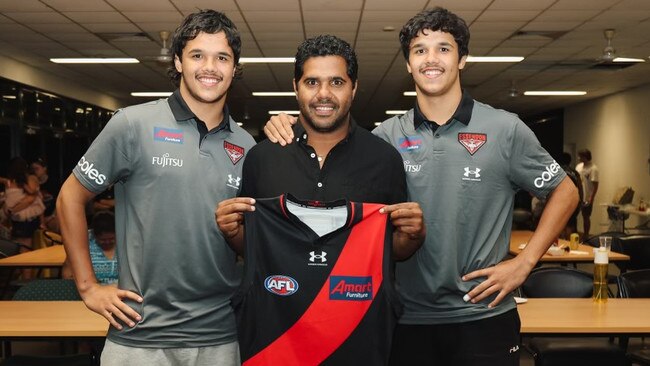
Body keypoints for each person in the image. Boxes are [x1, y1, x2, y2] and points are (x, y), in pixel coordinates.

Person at [263, 7, 578, 365]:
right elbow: (328, 144)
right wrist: (290, 124)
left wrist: (524, 263)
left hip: (483, 315)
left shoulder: (505, 129)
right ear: (408, 65)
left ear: (462, 59)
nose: (431, 59)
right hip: (404, 317)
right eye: (419, 50)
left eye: (443, 48)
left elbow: (565, 191)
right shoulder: (384, 139)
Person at [56, 9, 255, 366]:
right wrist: (88, 287)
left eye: (222, 57)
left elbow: (250, 239)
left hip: (220, 336)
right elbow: (70, 196)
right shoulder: (133, 124)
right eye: (197, 55)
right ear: (178, 61)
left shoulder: (246, 146)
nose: (210, 67)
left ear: (234, 67)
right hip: (138, 335)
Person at [216, 35, 425, 365]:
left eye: (336, 82)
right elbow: (257, 250)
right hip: (276, 342)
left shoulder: (384, 159)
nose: (324, 94)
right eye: (312, 81)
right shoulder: (262, 158)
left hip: (357, 342)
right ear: (296, 87)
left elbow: (389, 253)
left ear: (353, 88)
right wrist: (233, 232)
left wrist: (411, 236)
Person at [63, 211, 118, 285]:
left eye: (111, 238)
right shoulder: (83, 241)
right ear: (94, 235)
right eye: (103, 240)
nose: (107, 242)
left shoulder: (125, 242)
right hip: (91, 290)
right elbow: (68, 274)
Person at [559, 152, 583, 238]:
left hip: (561, 201)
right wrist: (581, 200)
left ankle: (561, 243)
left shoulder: (558, 171)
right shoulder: (575, 172)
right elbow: (580, 187)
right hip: (573, 201)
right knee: (571, 223)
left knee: (560, 223)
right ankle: (569, 244)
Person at [576, 148, 599, 238]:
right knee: (574, 216)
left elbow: (595, 185)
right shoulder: (578, 167)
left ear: (585, 157)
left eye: (580, 156)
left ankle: (586, 236)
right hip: (578, 196)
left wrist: (591, 198)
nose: (578, 158)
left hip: (587, 197)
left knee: (586, 217)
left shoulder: (593, 169)